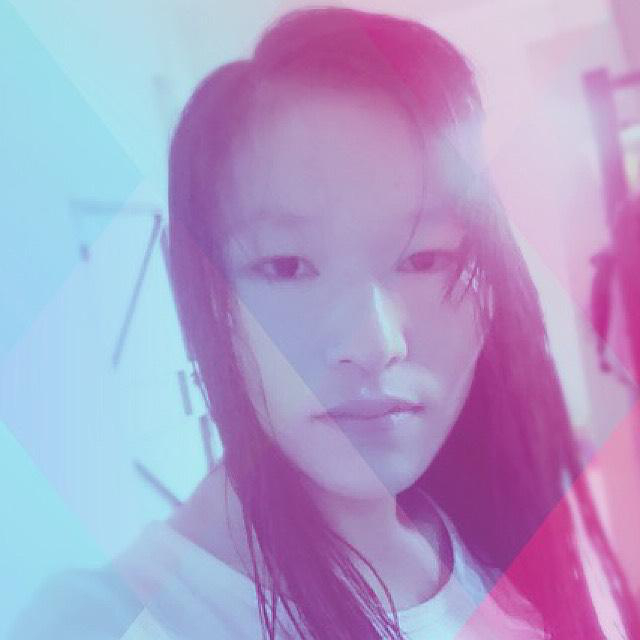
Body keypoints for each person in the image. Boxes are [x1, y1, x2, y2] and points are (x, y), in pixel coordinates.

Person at [9, 6, 640, 640]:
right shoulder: (113, 618)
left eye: (424, 259)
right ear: (198, 292)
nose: (375, 344)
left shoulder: (481, 531)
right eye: (287, 267)